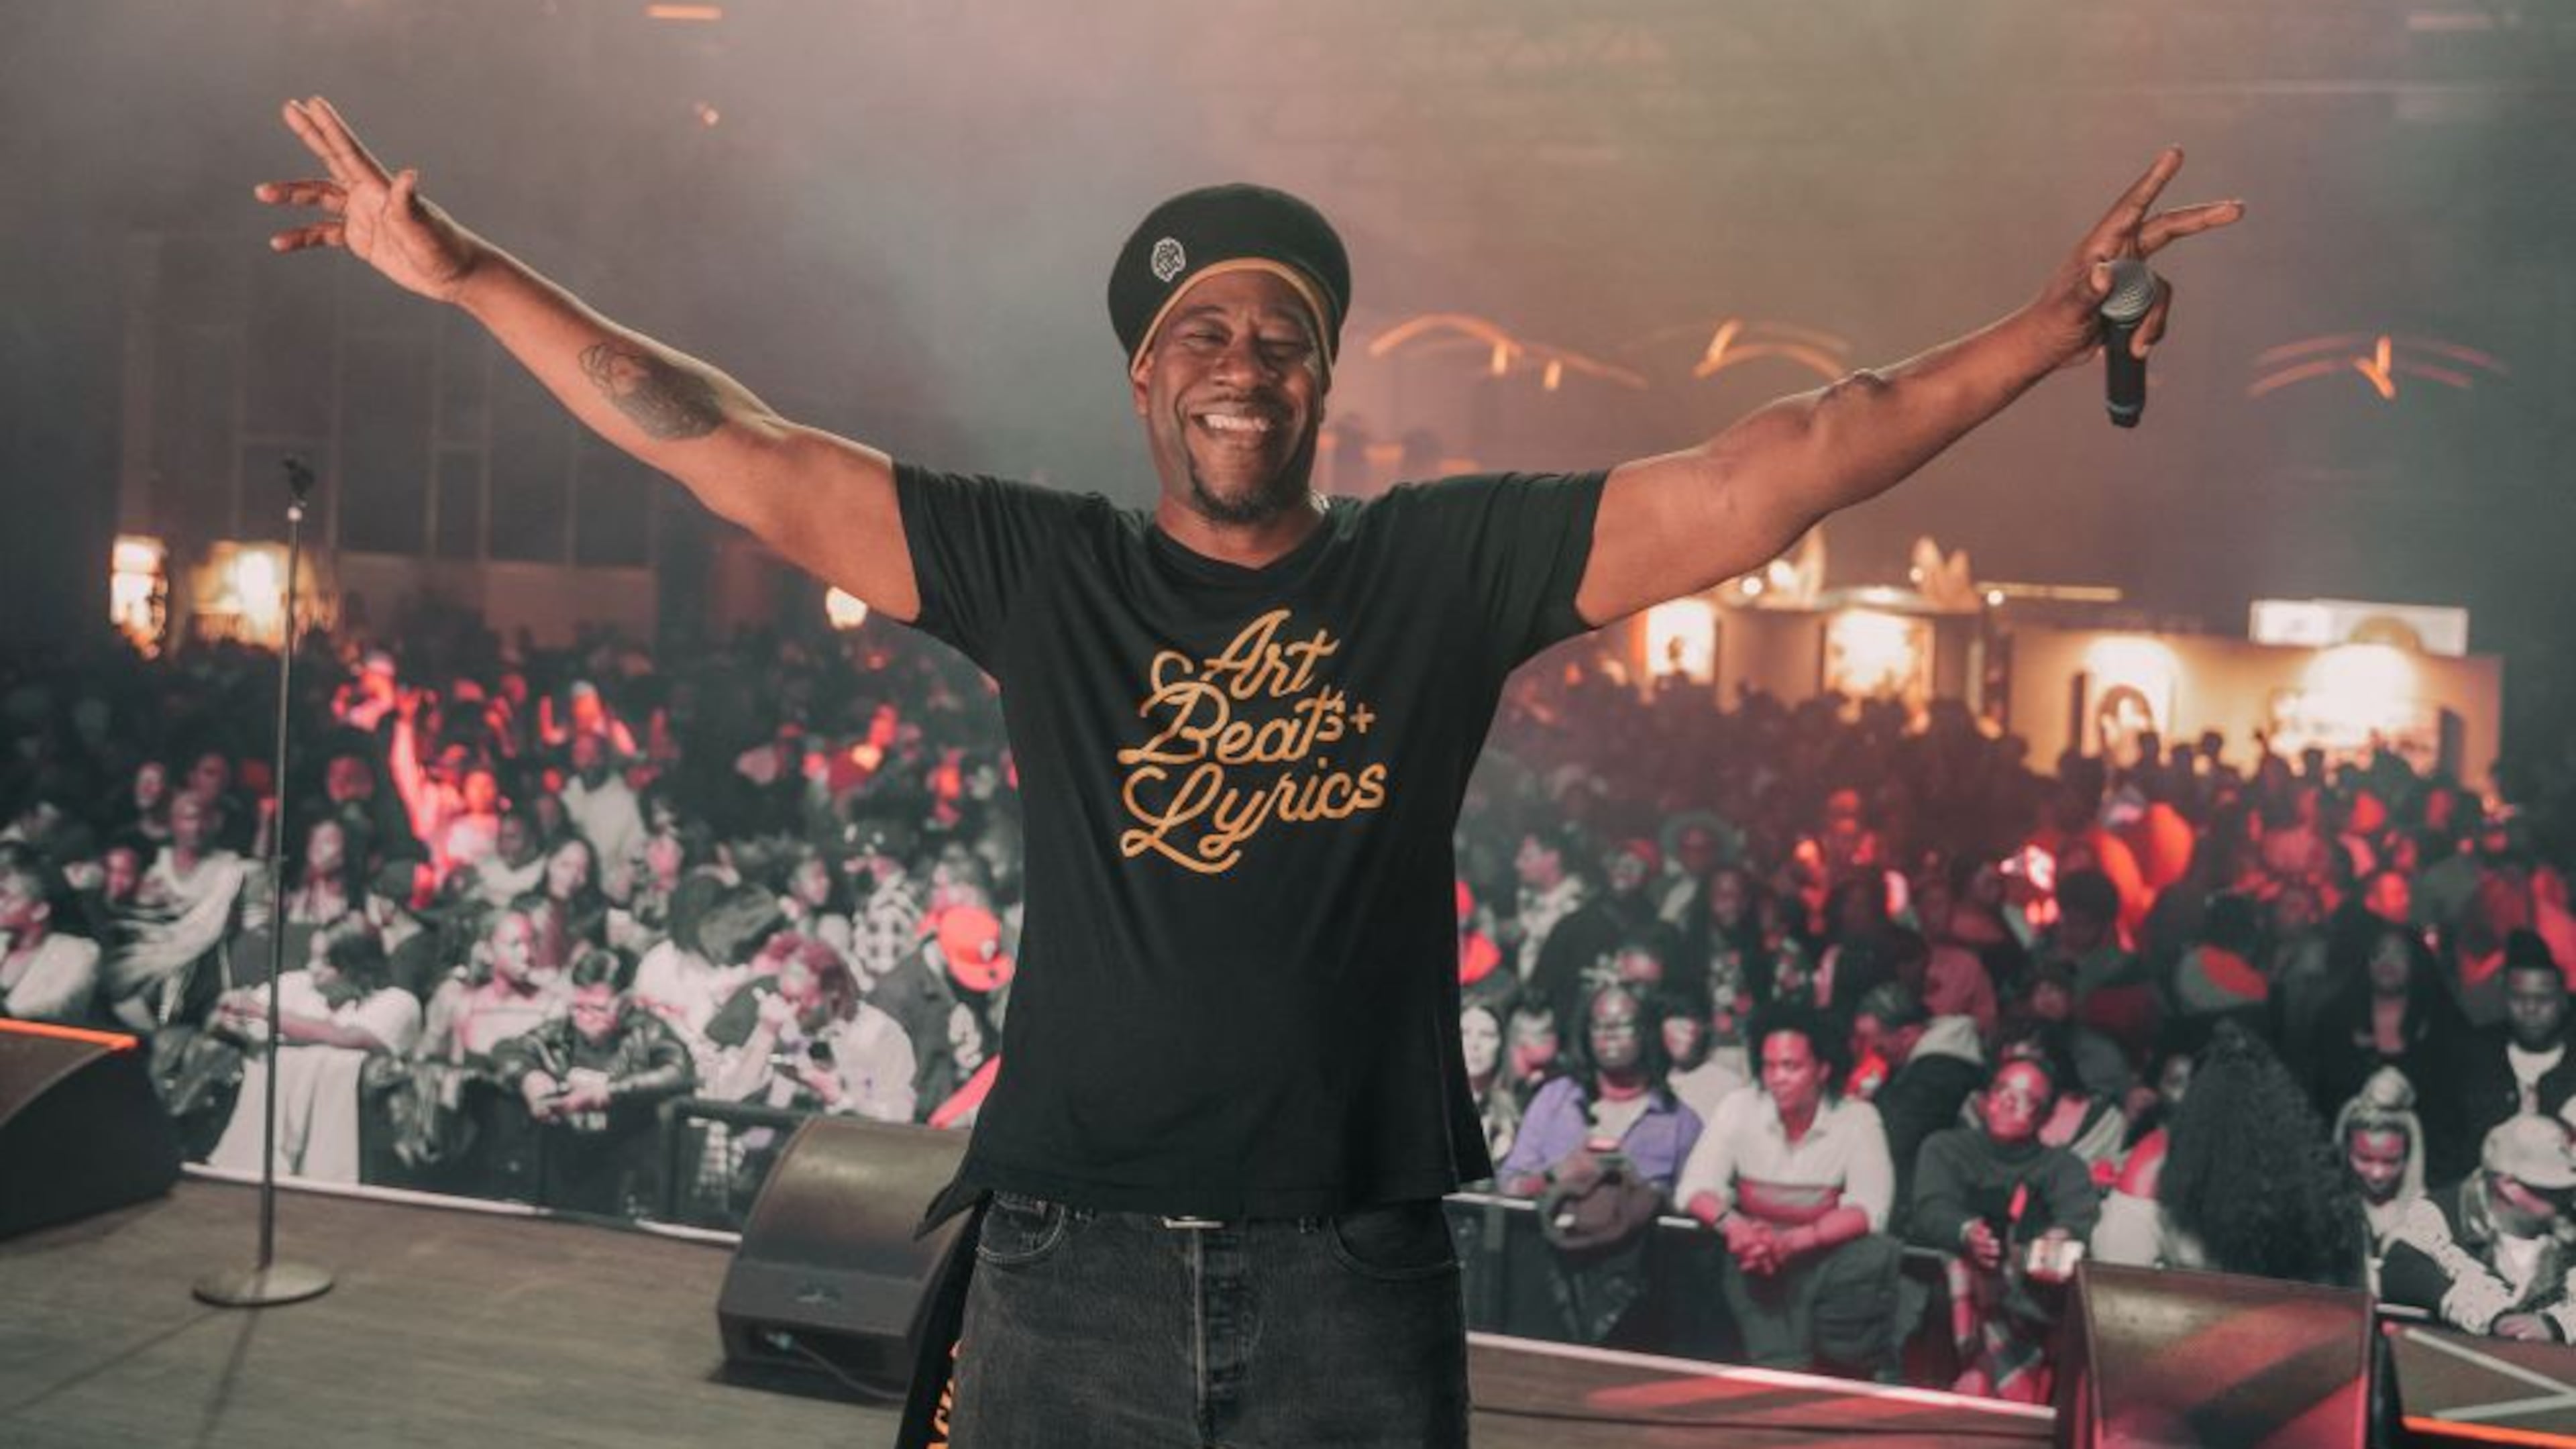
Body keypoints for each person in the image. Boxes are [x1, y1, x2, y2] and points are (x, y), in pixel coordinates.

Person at [257, 96, 2234, 1444]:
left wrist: (2057, 325)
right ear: (1143, 380)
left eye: (1275, 332)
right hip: (1059, 1267)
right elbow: (717, 434)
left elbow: (1780, 461)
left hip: (1347, 1277)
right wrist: (466, 274)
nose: (1234, 358)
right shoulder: (1046, 571)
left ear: (1319, 378)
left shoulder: (1438, 568)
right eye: (1194, 330)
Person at [1676, 1001, 1903, 1375]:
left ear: (1823, 1070)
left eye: (1791, 1066)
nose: (1777, 1077)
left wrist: (1792, 1242)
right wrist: (1738, 1229)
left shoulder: (1857, 1119)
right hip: (1752, 1259)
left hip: (1825, 1266)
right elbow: (1695, 1187)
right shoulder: (1739, 1107)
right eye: (1769, 1066)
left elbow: (1870, 1209)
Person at [1907, 1056, 2099, 1402]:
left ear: (2044, 1115)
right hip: (1953, 1288)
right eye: (2002, 1090)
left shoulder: (2062, 1167)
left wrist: (2049, 1243)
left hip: (2032, 1289)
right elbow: (1931, 1208)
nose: (2008, 1102)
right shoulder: (1946, 1147)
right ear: (1985, 1098)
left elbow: (2075, 1224)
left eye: (2024, 1098)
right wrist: (1967, 1232)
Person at [490, 948, 696, 1216]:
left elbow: (679, 1072)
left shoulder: (650, 1033)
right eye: (577, 1006)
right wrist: (532, 1078)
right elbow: (507, 1051)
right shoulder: (560, 1033)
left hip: (630, 1184)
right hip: (561, 1178)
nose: (585, 1017)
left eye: (598, 1008)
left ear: (625, 1002)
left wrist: (607, 1092)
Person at [2381, 1115, 2576, 1342]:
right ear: (2509, 1186)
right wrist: (2497, 1318)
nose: (2569, 1196)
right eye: (2555, 1188)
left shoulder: (2568, 1225)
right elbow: (2402, 1269)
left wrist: (2557, 1325)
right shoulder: (2440, 1218)